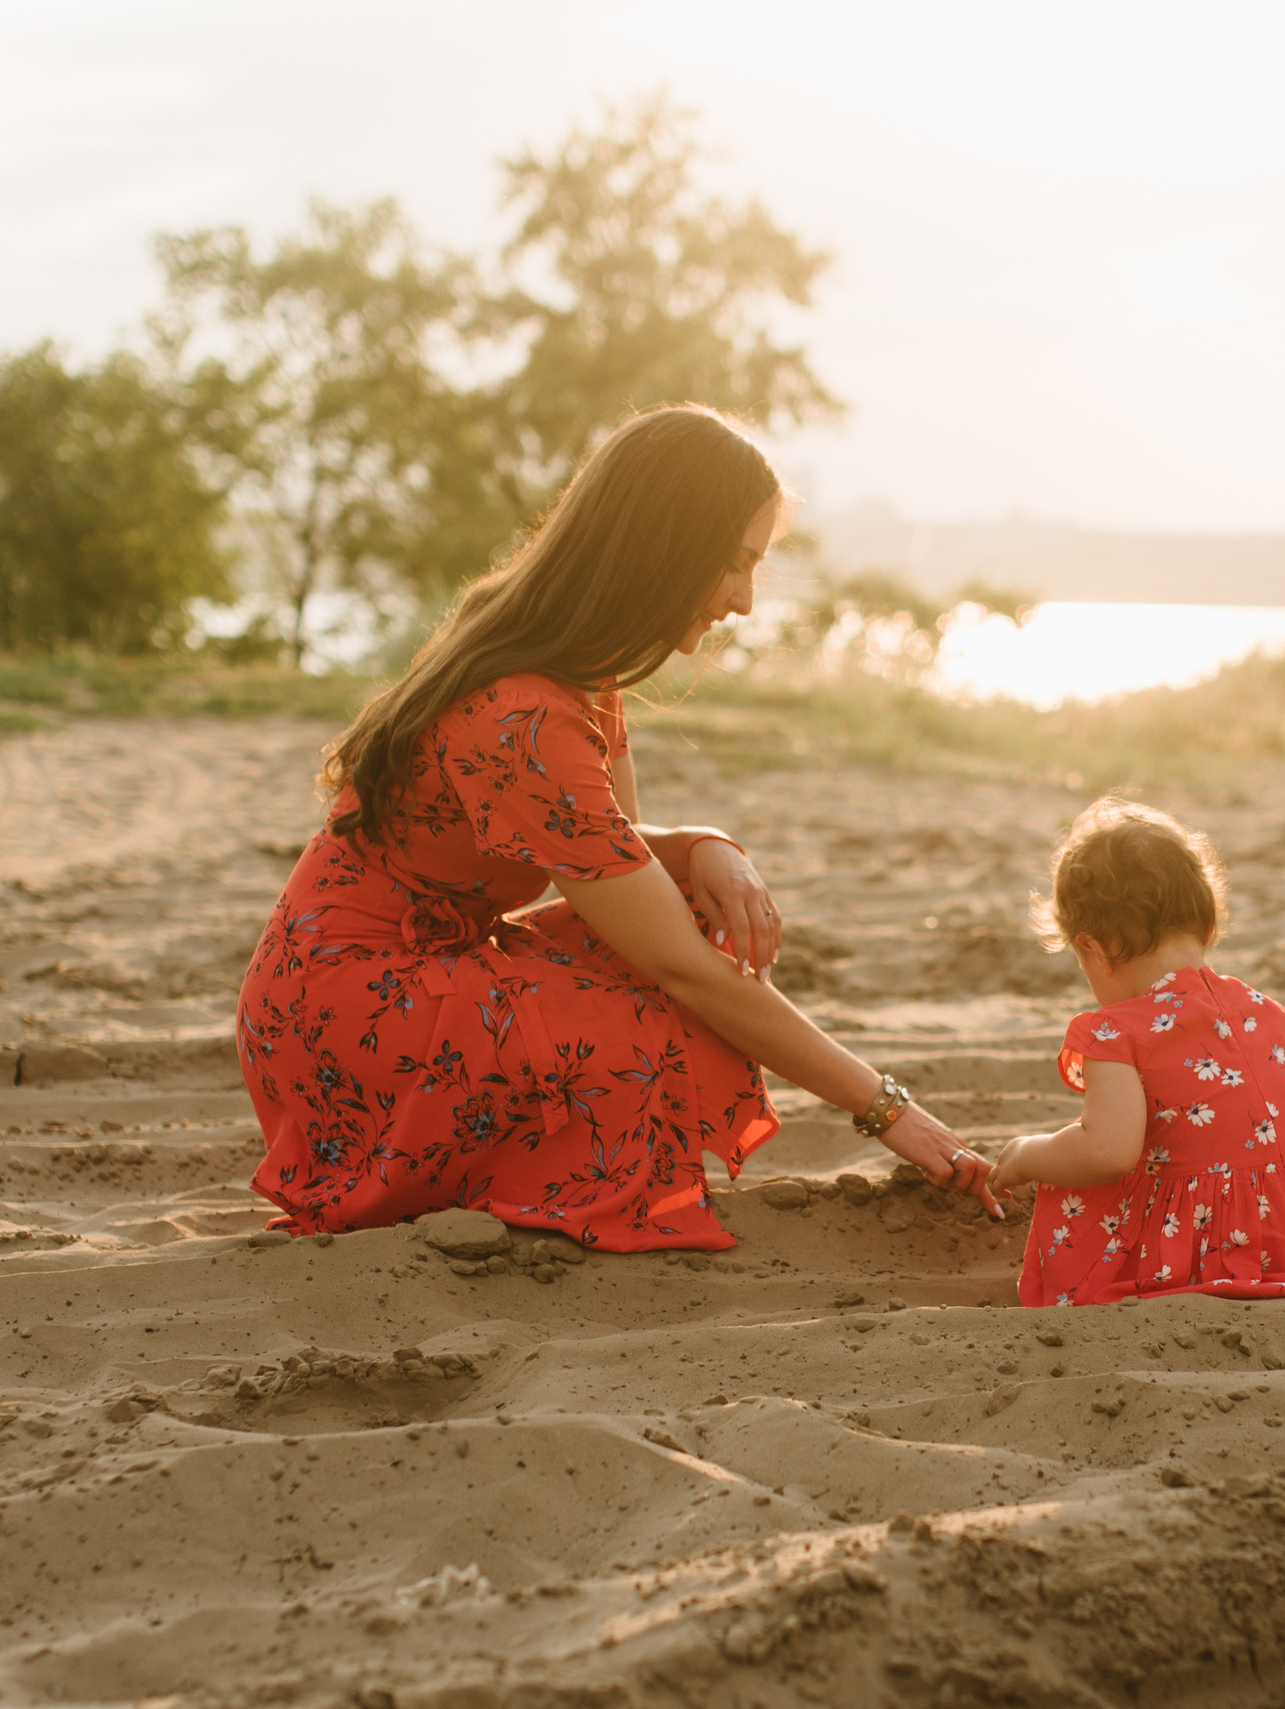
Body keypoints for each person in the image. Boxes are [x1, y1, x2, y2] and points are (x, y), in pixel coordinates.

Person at [237, 404, 997, 1248]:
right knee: (635, 1034)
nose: (745, 601)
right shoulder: (523, 713)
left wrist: (702, 844)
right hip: (343, 1008)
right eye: (735, 564)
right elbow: (680, 966)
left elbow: (612, 847)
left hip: (427, 966)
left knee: (690, 918)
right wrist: (889, 1109)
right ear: (665, 547)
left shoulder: (575, 662)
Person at [987, 798, 1285, 1308]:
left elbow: (1108, 1152)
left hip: (1203, 1255)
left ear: (1095, 950)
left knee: (1077, 1167)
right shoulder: (1260, 1010)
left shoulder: (1115, 1031)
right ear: (1208, 927)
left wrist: (1028, 1153)